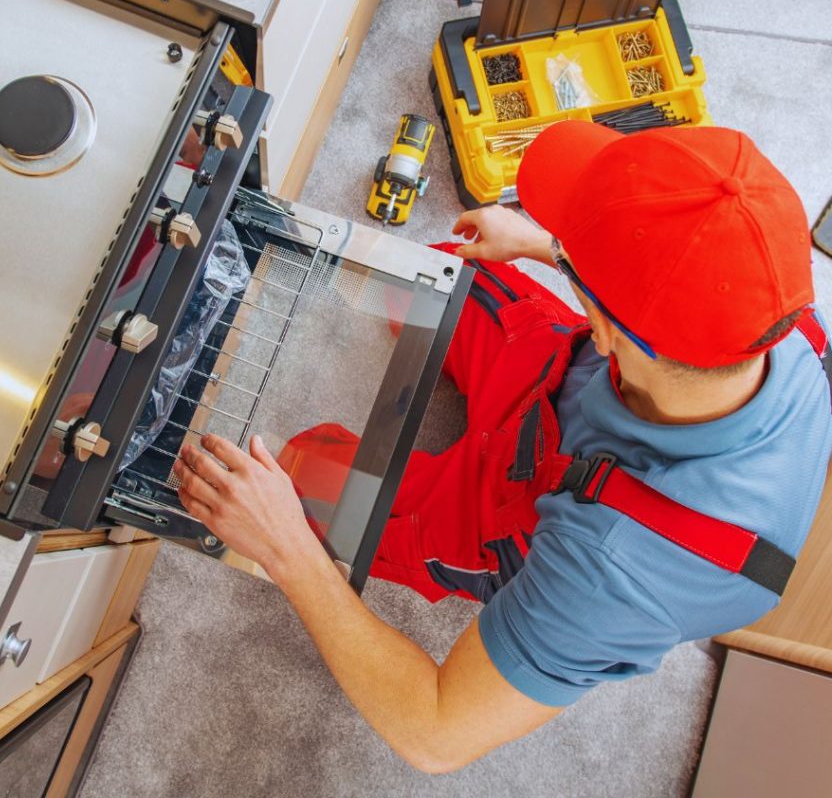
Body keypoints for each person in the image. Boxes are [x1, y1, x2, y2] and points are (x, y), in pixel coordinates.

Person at [173, 122, 832, 774]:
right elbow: (666, 285)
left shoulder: (613, 578)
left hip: (517, 512)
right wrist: (547, 245)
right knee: (427, 268)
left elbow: (435, 733)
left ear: (606, 327)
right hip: (559, 375)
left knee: (292, 475)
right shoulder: (776, 308)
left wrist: (286, 549)